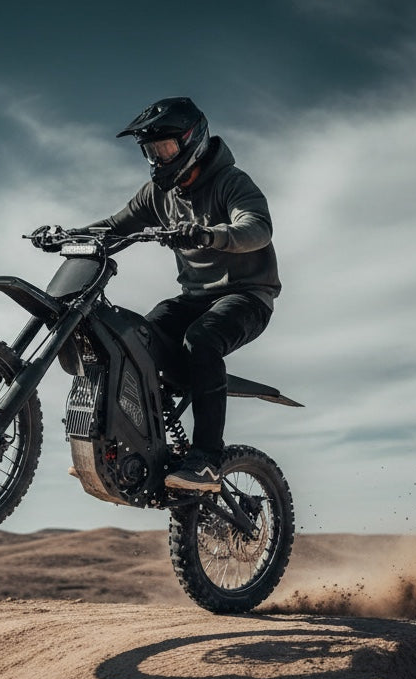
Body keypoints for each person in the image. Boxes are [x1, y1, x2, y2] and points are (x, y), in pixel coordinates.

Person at [63, 96, 281, 492]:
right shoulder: (156, 194)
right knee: (135, 339)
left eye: (164, 148)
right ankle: (127, 444)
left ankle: (207, 459)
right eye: (150, 151)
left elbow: (257, 228)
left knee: (202, 340)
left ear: (193, 140)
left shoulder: (232, 182)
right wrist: (66, 235)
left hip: (247, 296)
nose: (157, 158)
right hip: (194, 298)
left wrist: (211, 234)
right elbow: (114, 226)